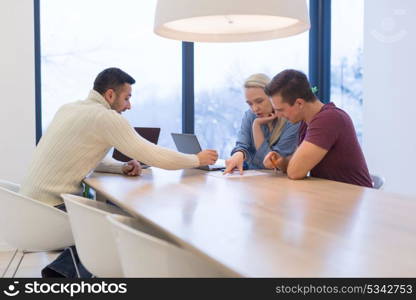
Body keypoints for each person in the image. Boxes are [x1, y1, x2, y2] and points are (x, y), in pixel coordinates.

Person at [19, 67, 218, 277]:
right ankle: (66, 275)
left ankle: (61, 272)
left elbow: (85, 154)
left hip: (29, 205)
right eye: (127, 98)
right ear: (110, 94)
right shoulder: (104, 117)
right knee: (123, 223)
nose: (129, 105)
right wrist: (196, 159)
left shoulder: (69, 108)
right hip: (50, 209)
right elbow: (151, 154)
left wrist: (121, 167)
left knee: (112, 216)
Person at [262, 69, 372, 187]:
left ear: (299, 103)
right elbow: (298, 163)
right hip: (332, 196)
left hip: (354, 199)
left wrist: (291, 165)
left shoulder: (329, 119)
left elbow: (295, 171)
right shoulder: (306, 123)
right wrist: (282, 162)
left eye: (280, 110)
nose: (278, 115)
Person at [224, 73, 299, 174]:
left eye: (259, 101)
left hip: (280, 183)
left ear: (273, 96)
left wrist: (257, 127)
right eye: (250, 104)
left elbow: (270, 163)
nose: (254, 109)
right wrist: (239, 154)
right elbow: (242, 145)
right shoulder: (250, 115)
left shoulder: (291, 121)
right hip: (253, 182)